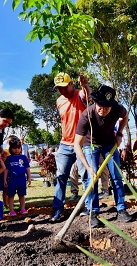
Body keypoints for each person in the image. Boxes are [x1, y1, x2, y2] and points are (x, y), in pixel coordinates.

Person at [74, 84, 133, 228]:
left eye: (107, 106)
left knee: (116, 176)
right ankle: (93, 212)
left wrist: (119, 133)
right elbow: (77, 145)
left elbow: (125, 116)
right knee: (91, 178)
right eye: (100, 105)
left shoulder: (118, 109)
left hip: (109, 144)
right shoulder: (86, 115)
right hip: (90, 145)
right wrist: (88, 167)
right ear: (95, 102)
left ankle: (121, 209)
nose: (103, 109)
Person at [50, 72, 91, 222]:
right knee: (61, 177)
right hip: (65, 145)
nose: (62, 90)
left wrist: (85, 85)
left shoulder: (80, 94)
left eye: (64, 87)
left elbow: (87, 96)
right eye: (59, 88)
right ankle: (57, 210)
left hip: (82, 143)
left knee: (86, 176)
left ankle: (89, 208)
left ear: (71, 84)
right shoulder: (59, 101)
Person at [4, 136, 31, 216]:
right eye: (14, 148)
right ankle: (11, 210)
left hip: (22, 179)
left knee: (22, 194)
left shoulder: (23, 157)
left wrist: (29, 177)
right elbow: (6, 169)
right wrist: (5, 179)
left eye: (18, 148)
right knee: (11, 195)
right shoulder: (8, 158)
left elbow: (27, 168)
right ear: (10, 149)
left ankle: (22, 208)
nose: (17, 150)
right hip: (12, 180)